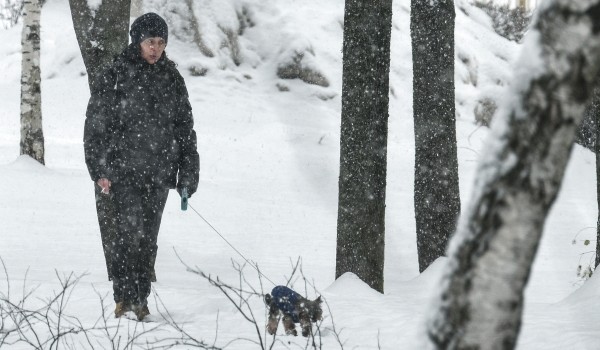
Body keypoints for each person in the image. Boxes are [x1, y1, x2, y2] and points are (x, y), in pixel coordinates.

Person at [84, 12, 199, 321]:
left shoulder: (172, 78)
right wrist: (100, 170)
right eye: (151, 42)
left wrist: (187, 176)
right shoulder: (116, 74)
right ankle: (123, 298)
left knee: (147, 239)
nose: (156, 49)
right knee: (123, 237)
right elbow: (95, 126)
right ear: (137, 41)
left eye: (161, 43)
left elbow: (185, 130)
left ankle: (141, 299)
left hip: (159, 175)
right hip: (121, 174)